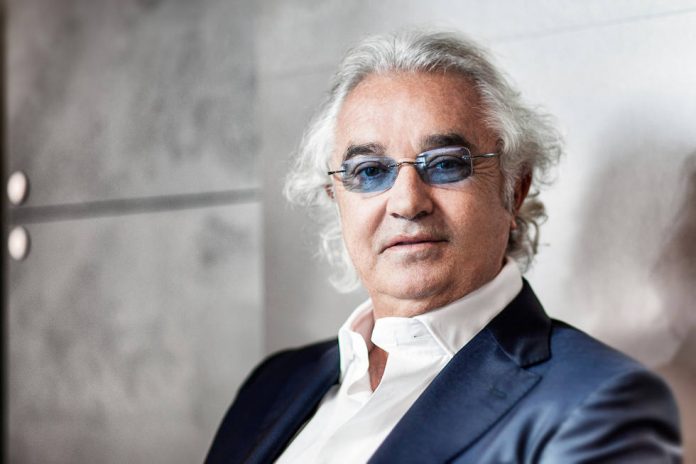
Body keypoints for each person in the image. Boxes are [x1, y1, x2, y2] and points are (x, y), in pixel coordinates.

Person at [205, 30, 681, 463]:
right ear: (336, 199)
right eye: (370, 171)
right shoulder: (271, 386)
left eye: (447, 164)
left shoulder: (603, 402)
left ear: (514, 189)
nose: (407, 203)